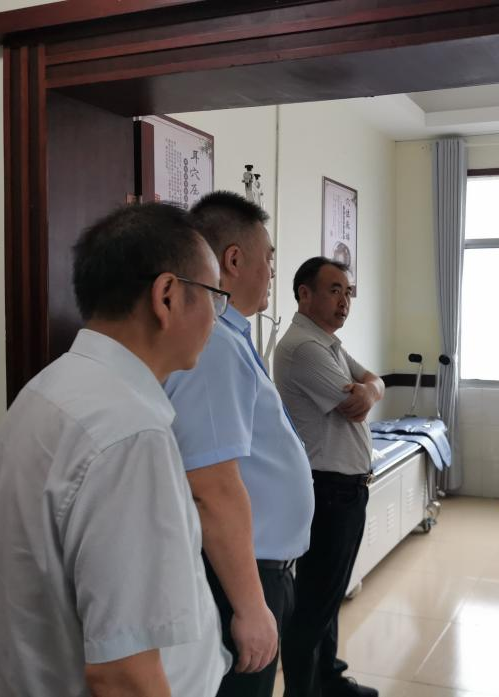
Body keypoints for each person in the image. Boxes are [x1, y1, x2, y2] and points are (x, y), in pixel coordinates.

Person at [0, 202, 230, 697]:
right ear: (167, 295)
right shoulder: (129, 433)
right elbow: (123, 674)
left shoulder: (44, 392)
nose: (215, 318)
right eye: (214, 297)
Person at [165, 191, 315, 697]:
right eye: (268, 258)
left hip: (256, 570)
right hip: (238, 576)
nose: (272, 272)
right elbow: (210, 486)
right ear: (234, 259)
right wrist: (250, 605)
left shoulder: (230, 338)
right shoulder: (214, 347)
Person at [275, 257, 384, 697]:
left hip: (345, 487)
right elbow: (353, 404)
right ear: (305, 294)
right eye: (334, 290)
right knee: (313, 605)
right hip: (330, 489)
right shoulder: (305, 348)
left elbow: (373, 383)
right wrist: (367, 392)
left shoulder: (328, 343)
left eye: (348, 292)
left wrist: (371, 389)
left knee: (328, 595)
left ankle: (329, 680)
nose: (345, 301)